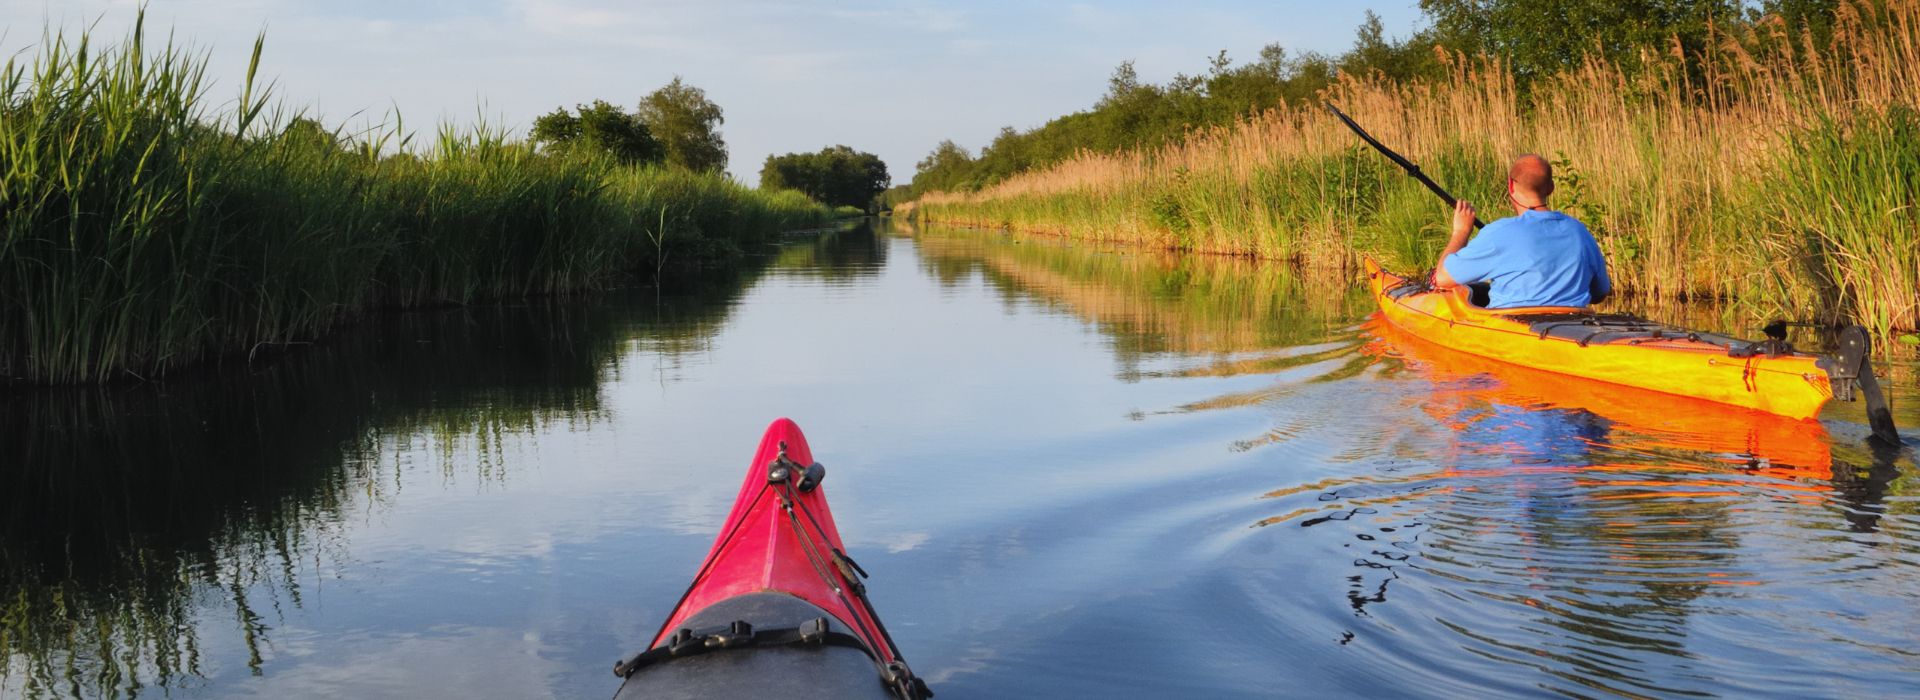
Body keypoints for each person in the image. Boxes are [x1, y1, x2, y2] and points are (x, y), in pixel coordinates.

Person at [1434, 154, 1611, 308]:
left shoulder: (1500, 233)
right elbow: (1600, 293)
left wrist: (1461, 232)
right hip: (1574, 327)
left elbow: (1442, 278)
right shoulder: (1579, 231)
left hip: (1513, 332)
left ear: (1511, 185)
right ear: (1551, 188)